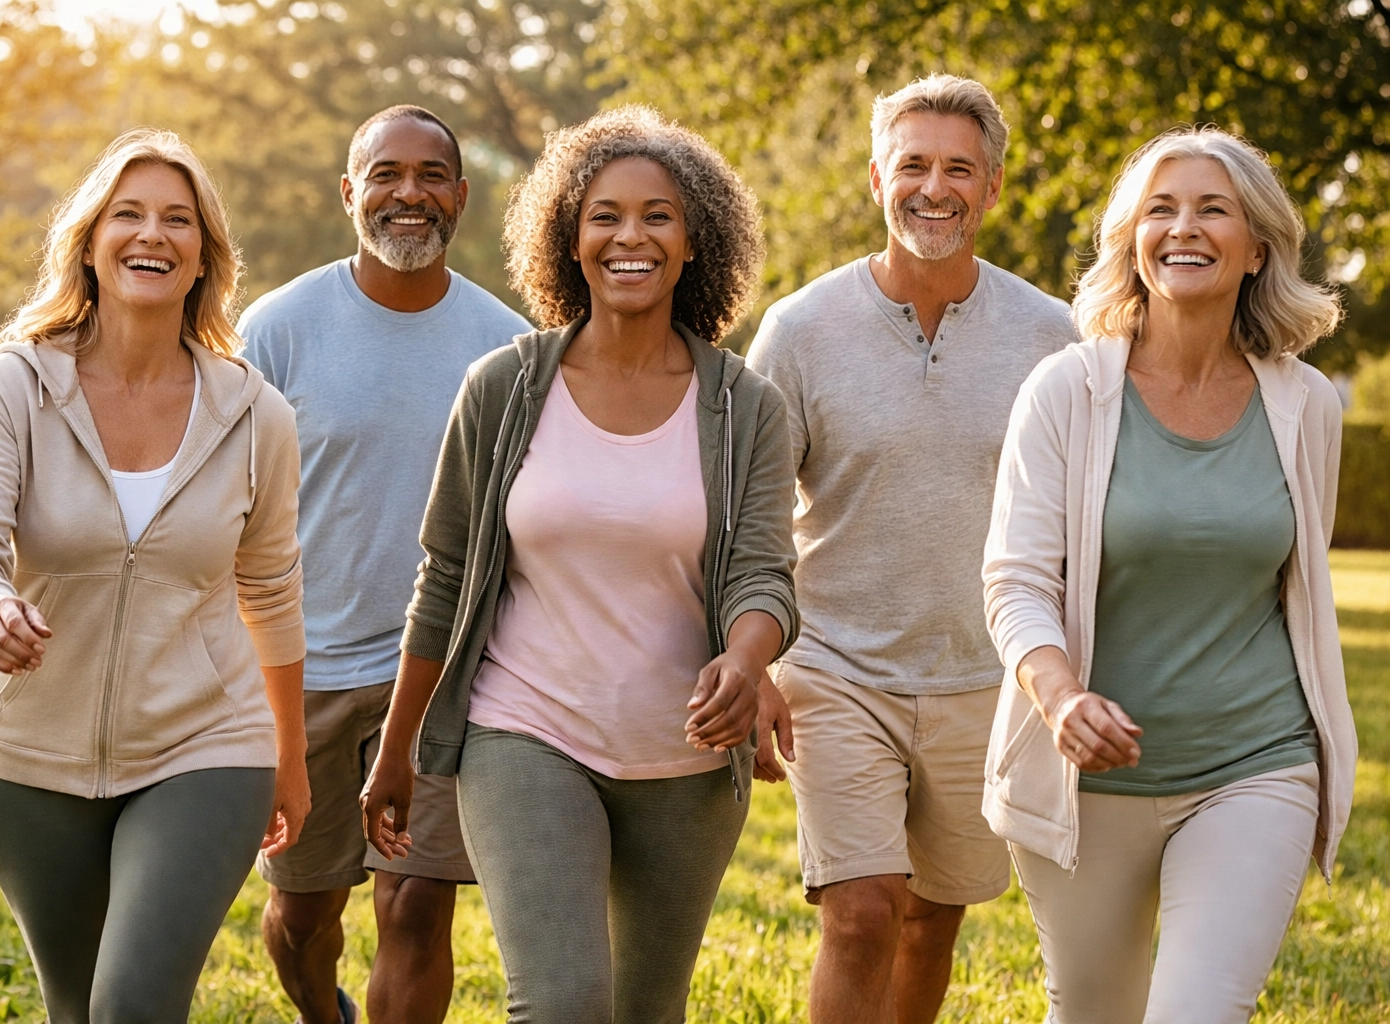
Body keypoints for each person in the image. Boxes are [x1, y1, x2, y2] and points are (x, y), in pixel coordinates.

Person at [361, 105, 799, 1024]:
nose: (629, 236)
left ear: (693, 244)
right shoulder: (503, 388)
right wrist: (398, 748)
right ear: (569, 239)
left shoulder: (744, 406)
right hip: (524, 730)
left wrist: (747, 659)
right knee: (561, 1002)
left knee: (647, 1010)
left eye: (657, 216)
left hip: (684, 753)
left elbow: (765, 572)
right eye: (604, 214)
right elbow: (443, 579)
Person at [0, 129, 308, 1023]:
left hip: (205, 748)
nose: (153, 234)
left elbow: (272, 590)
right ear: (90, 242)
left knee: (134, 1005)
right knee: (75, 1008)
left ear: (205, 256)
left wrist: (288, 758)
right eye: (128, 214)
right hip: (29, 761)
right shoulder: (14, 387)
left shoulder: (257, 416)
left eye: (179, 219)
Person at [981, 125, 1355, 1024]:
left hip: (1253, 764)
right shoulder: (1065, 390)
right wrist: (1063, 696)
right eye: (1161, 209)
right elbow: (1015, 579)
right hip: (1089, 787)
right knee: (1095, 1011)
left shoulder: (1306, 405)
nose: (1183, 228)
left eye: (1211, 209)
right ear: (1133, 241)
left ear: (1256, 244)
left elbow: (1292, 579)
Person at [744, 74, 1079, 1024]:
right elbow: (753, 517)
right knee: (860, 912)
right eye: (914, 164)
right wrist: (754, 659)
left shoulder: (1052, 336)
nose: (935, 187)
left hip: (987, 675)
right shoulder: (800, 331)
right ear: (878, 178)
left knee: (934, 917)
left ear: (994, 187)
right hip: (840, 667)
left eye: (958, 169)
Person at [240, 104, 530, 1024]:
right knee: (301, 914)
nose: (410, 194)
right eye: (387, 175)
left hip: (444, 675)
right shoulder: (278, 328)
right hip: (303, 673)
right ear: (350, 193)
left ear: (461, 195)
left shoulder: (508, 346)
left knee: (415, 906)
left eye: (431, 175)